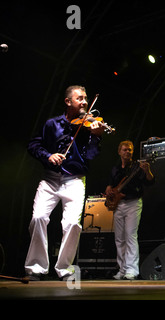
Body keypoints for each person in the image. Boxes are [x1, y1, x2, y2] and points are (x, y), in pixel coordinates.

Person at [25, 85, 104, 280]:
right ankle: (36, 268)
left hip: (75, 179)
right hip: (50, 179)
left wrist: (96, 137)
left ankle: (64, 269)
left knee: (72, 224)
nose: (85, 102)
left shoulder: (88, 126)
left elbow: (92, 155)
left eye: (86, 98)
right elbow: (34, 145)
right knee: (38, 218)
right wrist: (48, 156)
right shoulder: (52, 124)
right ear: (68, 102)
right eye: (80, 98)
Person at [105, 140, 154, 280]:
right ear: (119, 151)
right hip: (119, 205)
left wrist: (147, 171)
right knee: (119, 238)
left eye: (130, 150)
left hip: (133, 203)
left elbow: (150, 181)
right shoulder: (115, 168)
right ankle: (122, 269)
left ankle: (132, 270)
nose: (128, 152)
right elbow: (110, 185)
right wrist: (109, 190)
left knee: (131, 235)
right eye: (125, 149)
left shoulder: (137, 166)